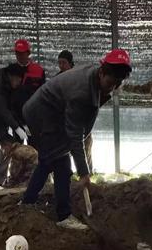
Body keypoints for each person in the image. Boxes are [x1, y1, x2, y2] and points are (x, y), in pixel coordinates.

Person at [21, 49, 132, 230]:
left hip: (53, 113)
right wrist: (83, 171)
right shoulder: (81, 92)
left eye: (117, 84)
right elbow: (75, 134)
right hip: (43, 115)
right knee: (58, 162)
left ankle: (28, 204)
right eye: (110, 82)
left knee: (52, 161)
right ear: (102, 72)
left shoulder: (95, 77)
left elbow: (81, 125)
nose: (112, 87)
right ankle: (59, 214)